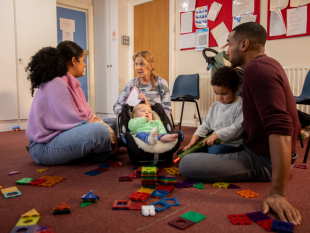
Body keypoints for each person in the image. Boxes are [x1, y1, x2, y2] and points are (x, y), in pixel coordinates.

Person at [179, 22, 301, 226]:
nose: (226, 51)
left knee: (187, 164)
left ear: (244, 44)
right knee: (209, 150)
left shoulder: (257, 69)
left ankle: (273, 174)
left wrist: (278, 193)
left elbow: (280, 125)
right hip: (260, 149)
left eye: (229, 43)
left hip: (264, 160)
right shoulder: (268, 64)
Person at [25, 41, 117, 165]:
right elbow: (75, 122)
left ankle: (105, 148)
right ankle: (108, 147)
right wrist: (106, 130)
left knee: (115, 122)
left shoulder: (72, 84)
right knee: (100, 131)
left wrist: (109, 127)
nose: (85, 65)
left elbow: (88, 117)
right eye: (83, 60)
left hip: (62, 136)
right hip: (44, 147)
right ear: (74, 61)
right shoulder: (56, 83)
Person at [103, 51, 172, 131]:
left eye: (142, 64)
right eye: (136, 64)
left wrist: (149, 113)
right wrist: (130, 115)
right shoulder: (131, 84)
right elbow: (117, 106)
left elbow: (167, 110)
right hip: (134, 124)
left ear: (151, 66)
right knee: (104, 124)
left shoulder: (161, 84)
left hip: (154, 124)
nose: (138, 68)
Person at [181, 66, 243, 154]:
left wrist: (217, 135)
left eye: (224, 94)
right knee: (194, 148)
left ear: (236, 89)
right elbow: (206, 124)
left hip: (231, 144)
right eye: (216, 93)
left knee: (214, 150)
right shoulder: (215, 106)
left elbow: (238, 128)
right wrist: (196, 135)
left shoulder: (241, 105)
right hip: (214, 140)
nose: (219, 97)